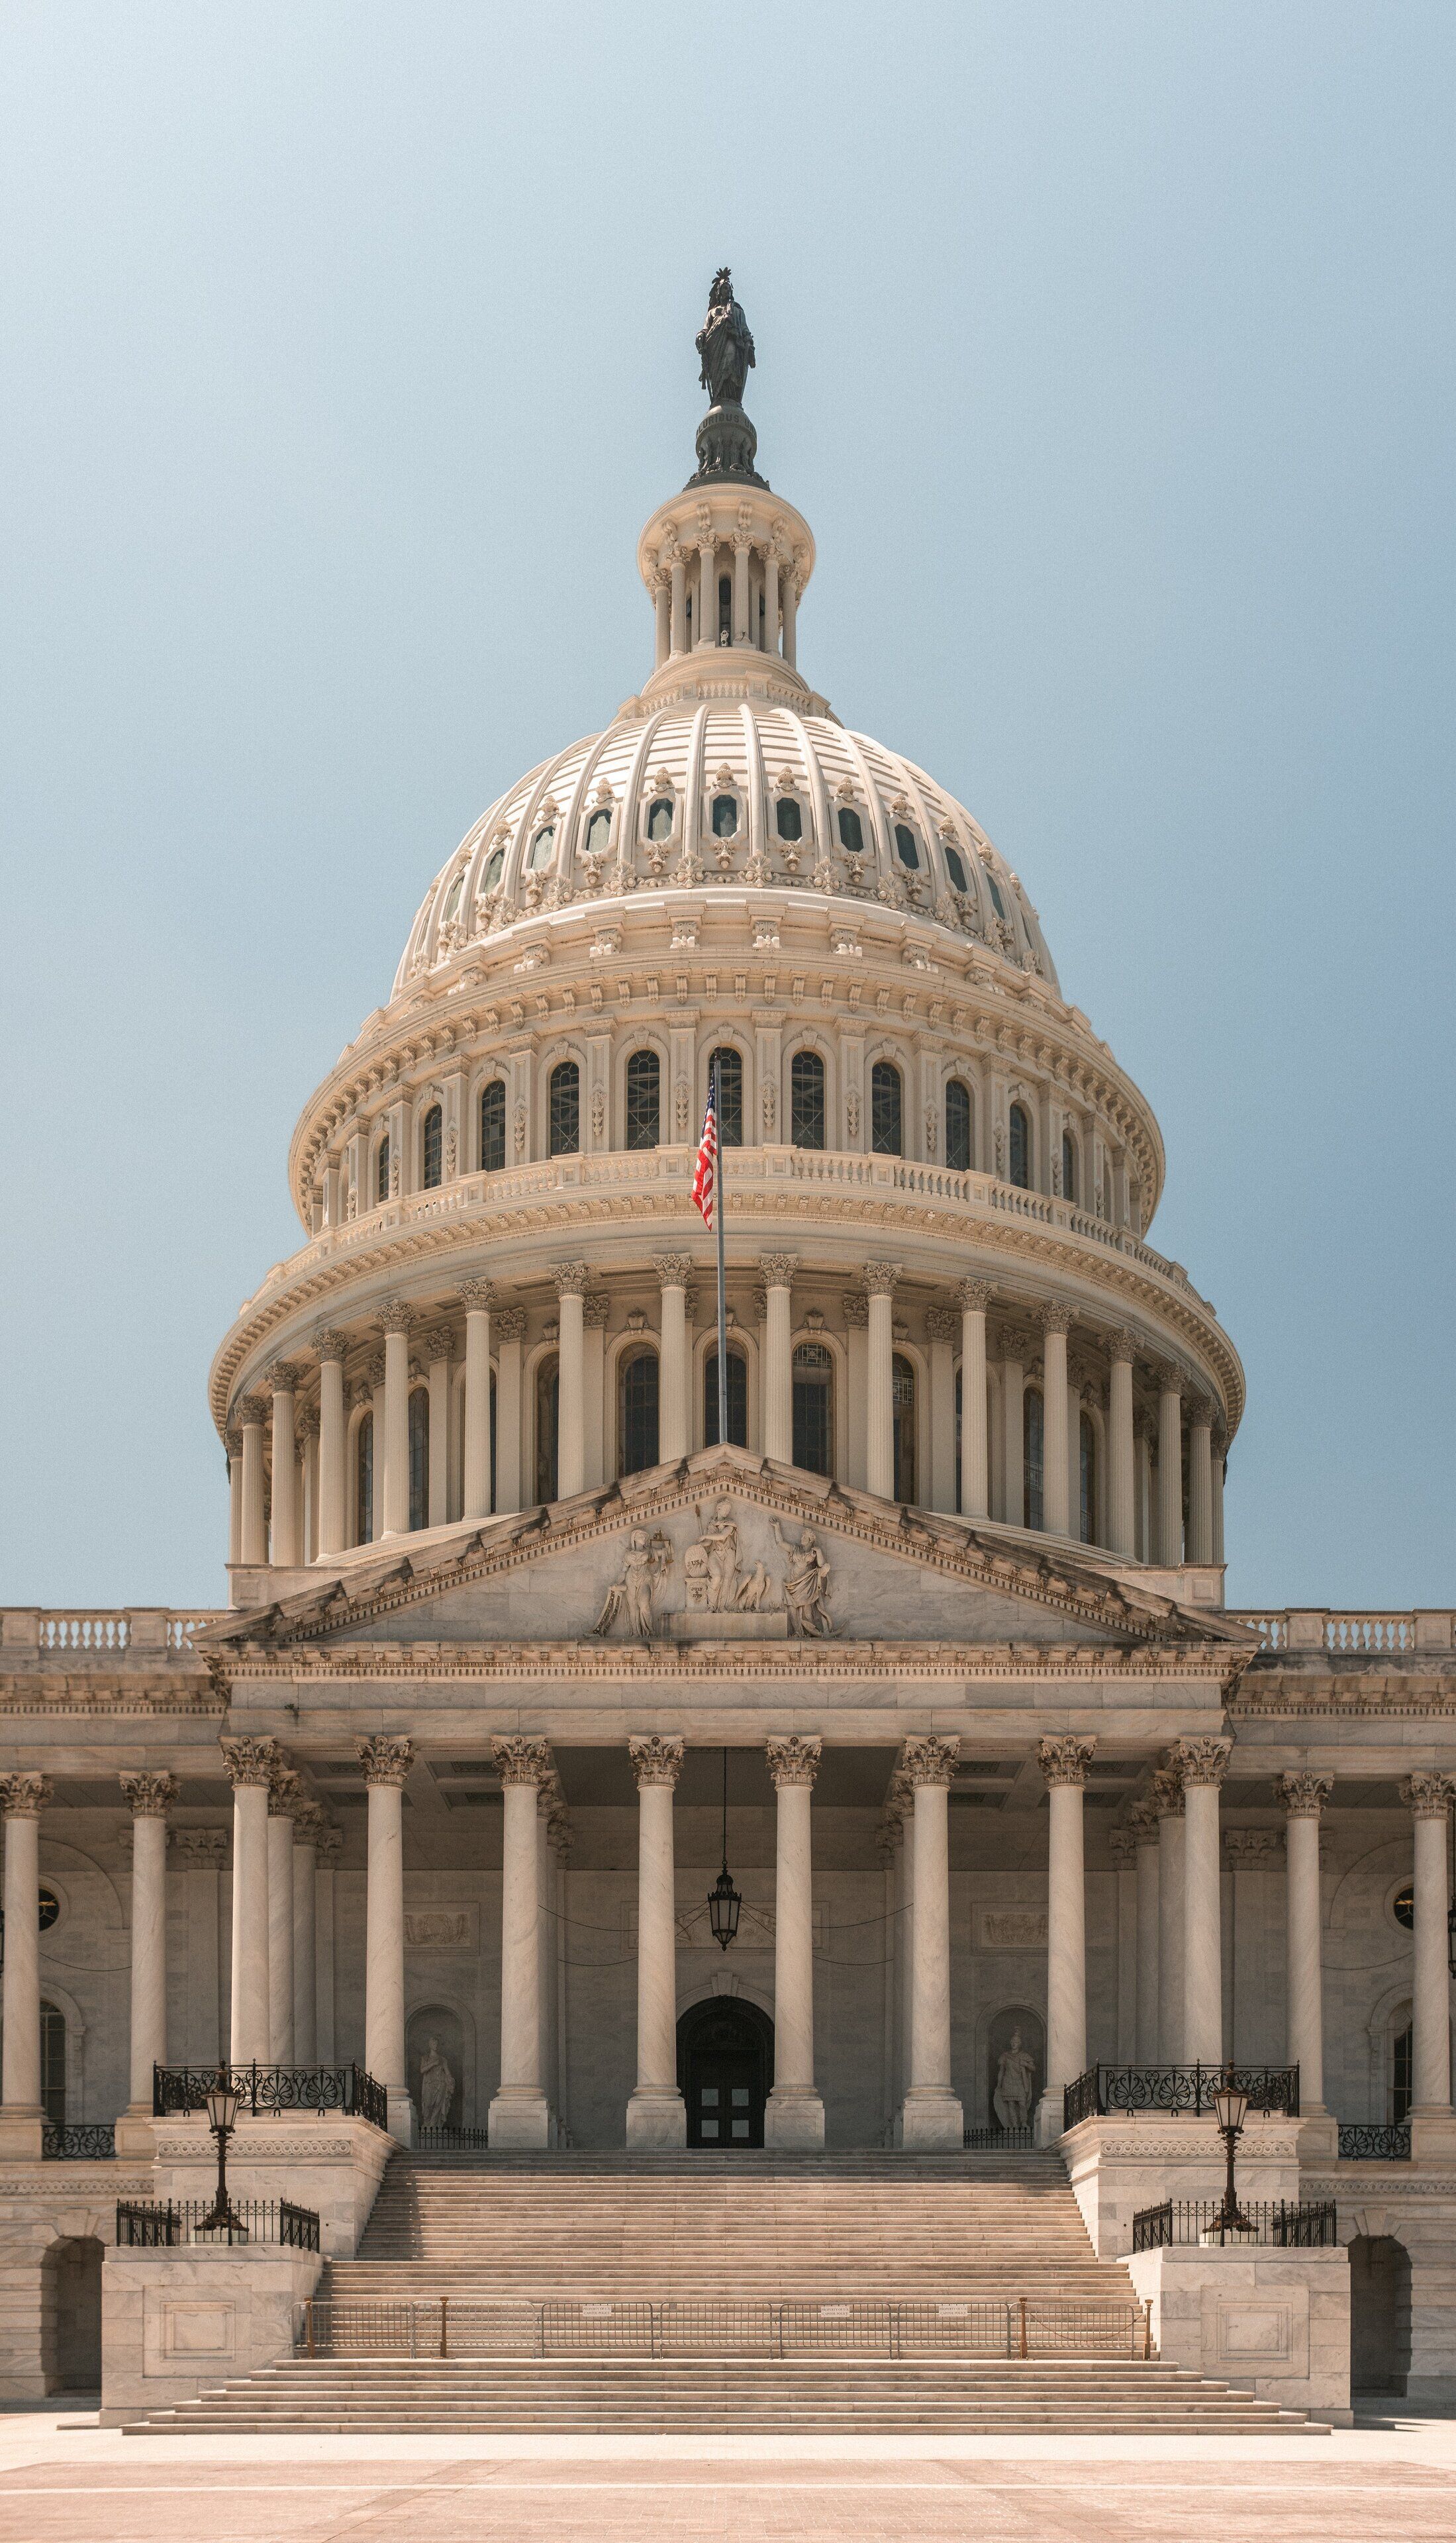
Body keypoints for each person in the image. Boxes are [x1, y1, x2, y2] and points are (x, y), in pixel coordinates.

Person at [993, 2030, 1036, 2130]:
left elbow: (1033, 2068)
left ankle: (1024, 2123)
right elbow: (1001, 2071)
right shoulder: (1005, 2056)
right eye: (1012, 2041)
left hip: (1020, 2082)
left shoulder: (1024, 2055)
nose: (1014, 2043)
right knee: (1011, 2105)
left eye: (1016, 2042)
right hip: (1008, 2082)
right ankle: (1014, 2125)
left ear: (1019, 2044)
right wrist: (999, 2085)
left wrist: (1026, 2064)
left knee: (1022, 2103)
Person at [418, 2036, 455, 2130]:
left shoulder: (443, 2059)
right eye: (434, 2044)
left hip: (441, 2084)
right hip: (429, 2084)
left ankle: (433, 2125)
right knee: (428, 2104)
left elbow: (447, 2072)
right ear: (430, 2045)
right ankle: (426, 2124)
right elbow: (422, 2070)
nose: (436, 2045)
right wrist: (433, 2064)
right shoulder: (425, 2058)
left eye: (437, 2044)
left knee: (438, 2105)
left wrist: (450, 2079)